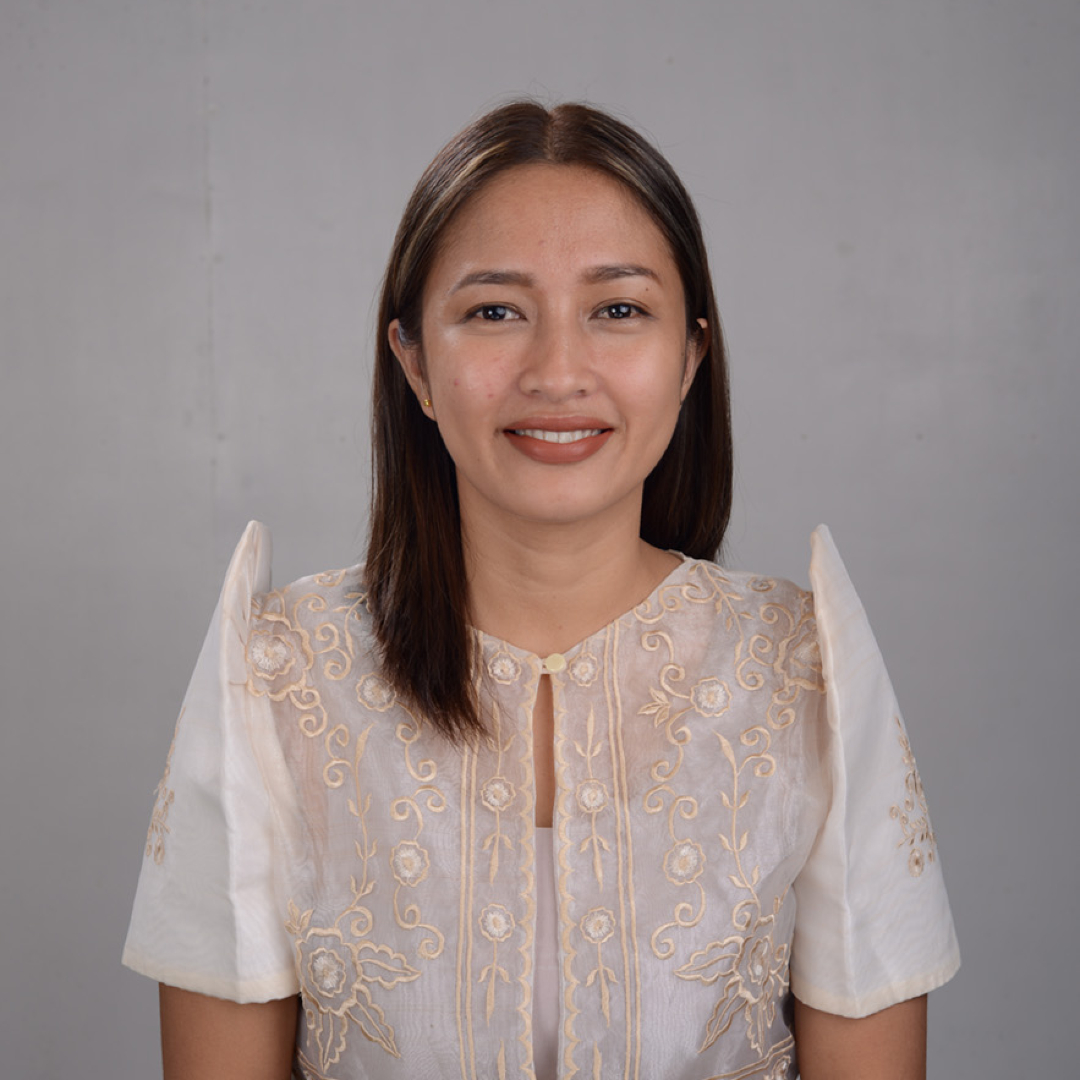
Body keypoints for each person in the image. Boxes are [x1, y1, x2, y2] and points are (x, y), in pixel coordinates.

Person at [123, 101, 959, 1080]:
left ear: (690, 358)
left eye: (618, 310)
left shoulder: (806, 674)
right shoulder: (272, 677)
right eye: (494, 312)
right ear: (414, 362)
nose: (559, 372)